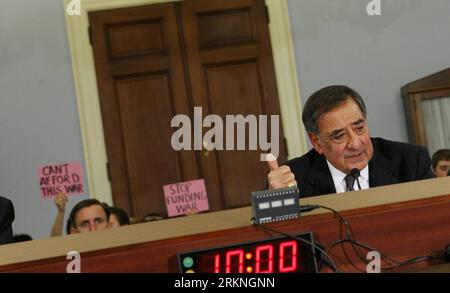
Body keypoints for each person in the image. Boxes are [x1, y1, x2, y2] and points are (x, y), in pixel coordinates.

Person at [267, 85, 434, 197]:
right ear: (317, 143)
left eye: (359, 128)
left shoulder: (411, 161)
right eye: (339, 136)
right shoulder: (294, 179)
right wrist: (275, 203)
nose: (355, 143)